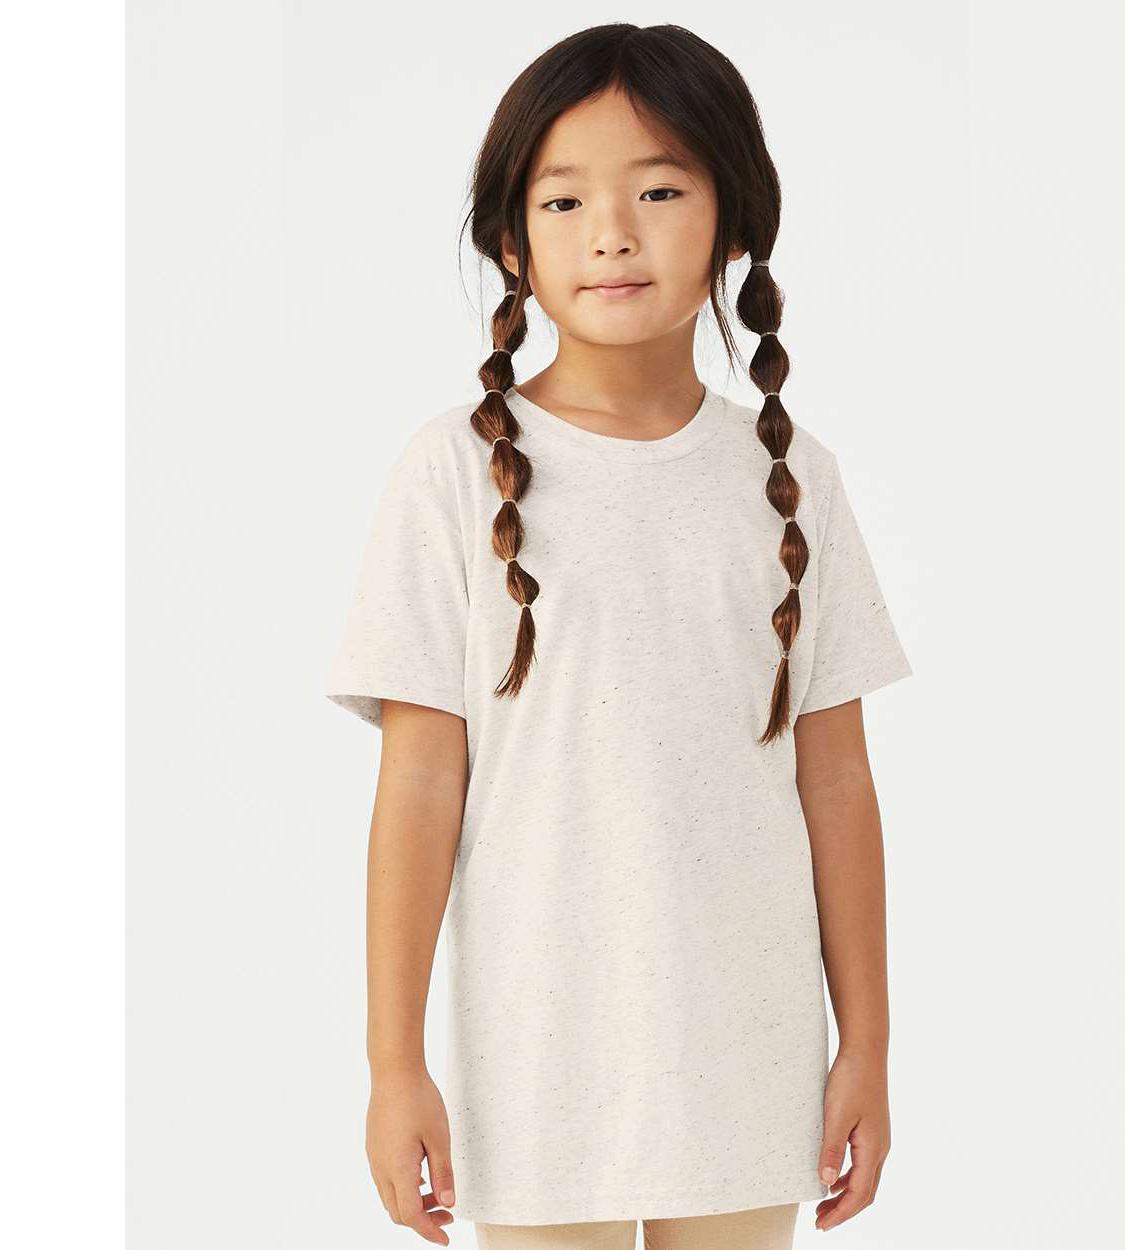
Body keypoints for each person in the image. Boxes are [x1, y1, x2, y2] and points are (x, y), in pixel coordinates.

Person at [326, 23, 913, 1249]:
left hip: (744, 1046)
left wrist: (864, 1043)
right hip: (534, 1053)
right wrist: (393, 1062)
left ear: (732, 218)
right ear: (511, 239)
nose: (610, 231)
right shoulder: (451, 475)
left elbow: (836, 780)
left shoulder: (793, 479)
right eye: (563, 199)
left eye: (657, 190)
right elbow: (419, 784)